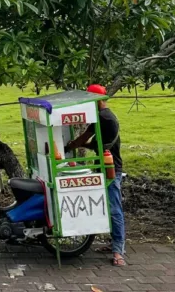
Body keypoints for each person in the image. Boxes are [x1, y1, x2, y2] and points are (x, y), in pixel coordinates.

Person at [66, 84, 125, 267]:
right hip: (105, 167)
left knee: (114, 208)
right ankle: (114, 245)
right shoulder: (101, 117)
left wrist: (72, 146)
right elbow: (90, 140)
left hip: (111, 169)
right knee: (108, 207)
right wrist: (74, 145)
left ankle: (118, 251)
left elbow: (88, 140)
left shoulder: (104, 118)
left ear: (97, 100)